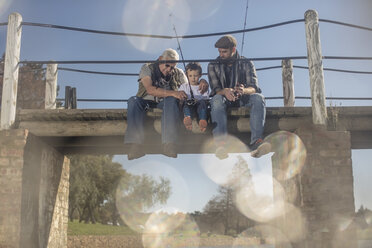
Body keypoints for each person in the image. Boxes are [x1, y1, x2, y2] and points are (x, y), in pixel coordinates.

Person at [208, 35, 267, 159]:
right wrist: (225, 91)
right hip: (224, 100)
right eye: (219, 52)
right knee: (216, 100)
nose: (221, 54)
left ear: (233, 50)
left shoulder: (247, 63)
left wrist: (243, 90)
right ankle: (221, 146)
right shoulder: (213, 65)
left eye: (224, 51)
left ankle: (256, 142)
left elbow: (254, 88)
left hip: (244, 99)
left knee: (258, 97)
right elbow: (215, 91)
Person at [124, 48, 188, 160]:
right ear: (160, 59)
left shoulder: (179, 73)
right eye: (167, 65)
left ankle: (169, 144)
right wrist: (174, 93)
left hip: (166, 102)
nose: (169, 69)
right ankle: (135, 146)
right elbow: (150, 89)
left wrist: (201, 82)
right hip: (146, 100)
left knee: (172, 100)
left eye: (172, 67)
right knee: (133, 100)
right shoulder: (147, 67)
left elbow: (188, 89)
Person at [179, 62, 210, 132]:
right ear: (187, 75)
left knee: (202, 103)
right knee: (186, 104)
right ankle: (187, 118)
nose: (193, 78)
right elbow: (180, 97)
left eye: (195, 76)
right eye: (190, 76)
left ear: (200, 75)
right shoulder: (184, 86)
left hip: (199, 105)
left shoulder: (202, 87)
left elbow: (206, 99)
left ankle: (202, 120)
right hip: (189, 105)